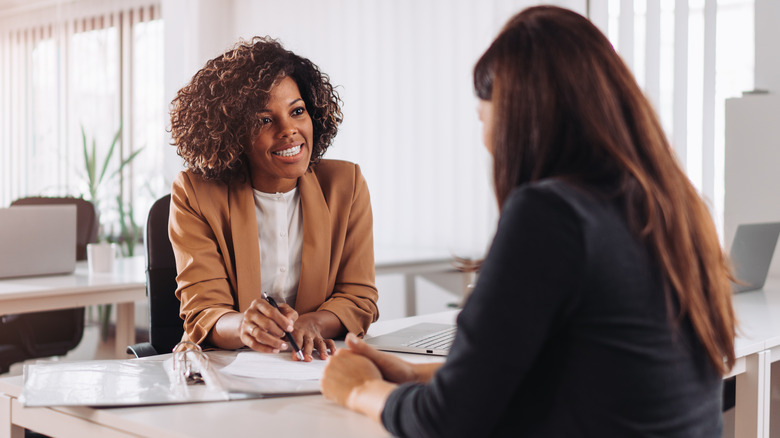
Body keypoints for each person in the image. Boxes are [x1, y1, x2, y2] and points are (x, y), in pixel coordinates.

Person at [320, 5, 736, 436]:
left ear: (519, 117)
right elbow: (581, 374)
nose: (486, 144)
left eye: (484, 118)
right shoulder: (680, 208)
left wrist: (360, 390)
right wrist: (413, 376)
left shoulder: (552, 215)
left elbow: (448, 423)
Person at [168, 36, 379, 362]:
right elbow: (204, 311)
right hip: (226, 372)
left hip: (313, 367)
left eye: (297, 111)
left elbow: (358, 298)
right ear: (232, 132)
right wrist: (244, 326)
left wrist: (313, 323)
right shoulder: (195, 193)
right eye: (265, 120)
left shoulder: (345, 185)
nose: (289, 130)